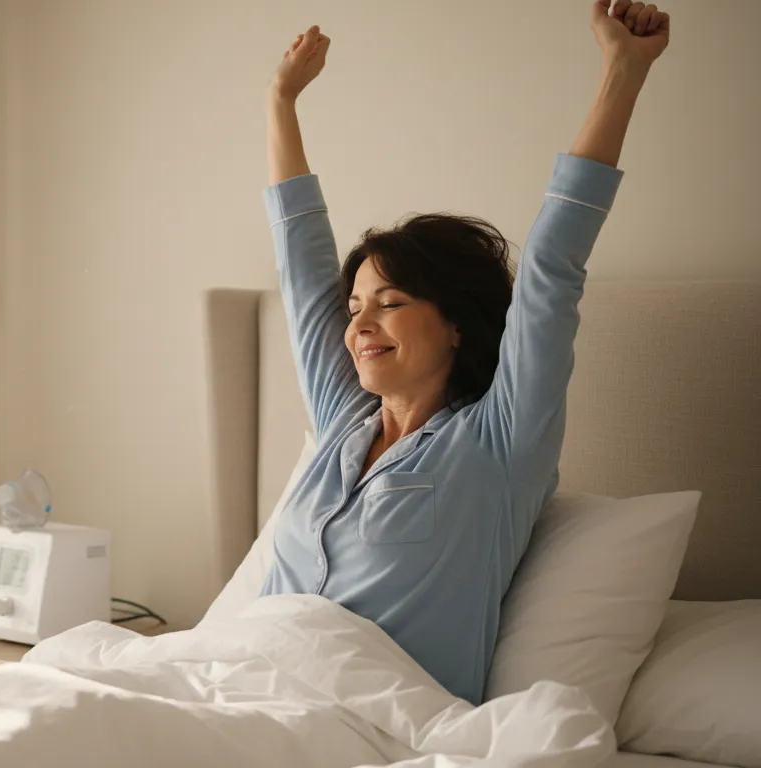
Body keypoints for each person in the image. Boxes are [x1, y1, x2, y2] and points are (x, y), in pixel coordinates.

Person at [260, 0, 670, 705]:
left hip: (364, 723)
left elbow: (552, 271)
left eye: (390, 303)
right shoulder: (341, 425)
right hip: (238, 680)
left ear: (455, 324)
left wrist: (622, 72)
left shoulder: (499, 444)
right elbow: (302, 273)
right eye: (355, 307)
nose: (360, 325)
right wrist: (281, 102)